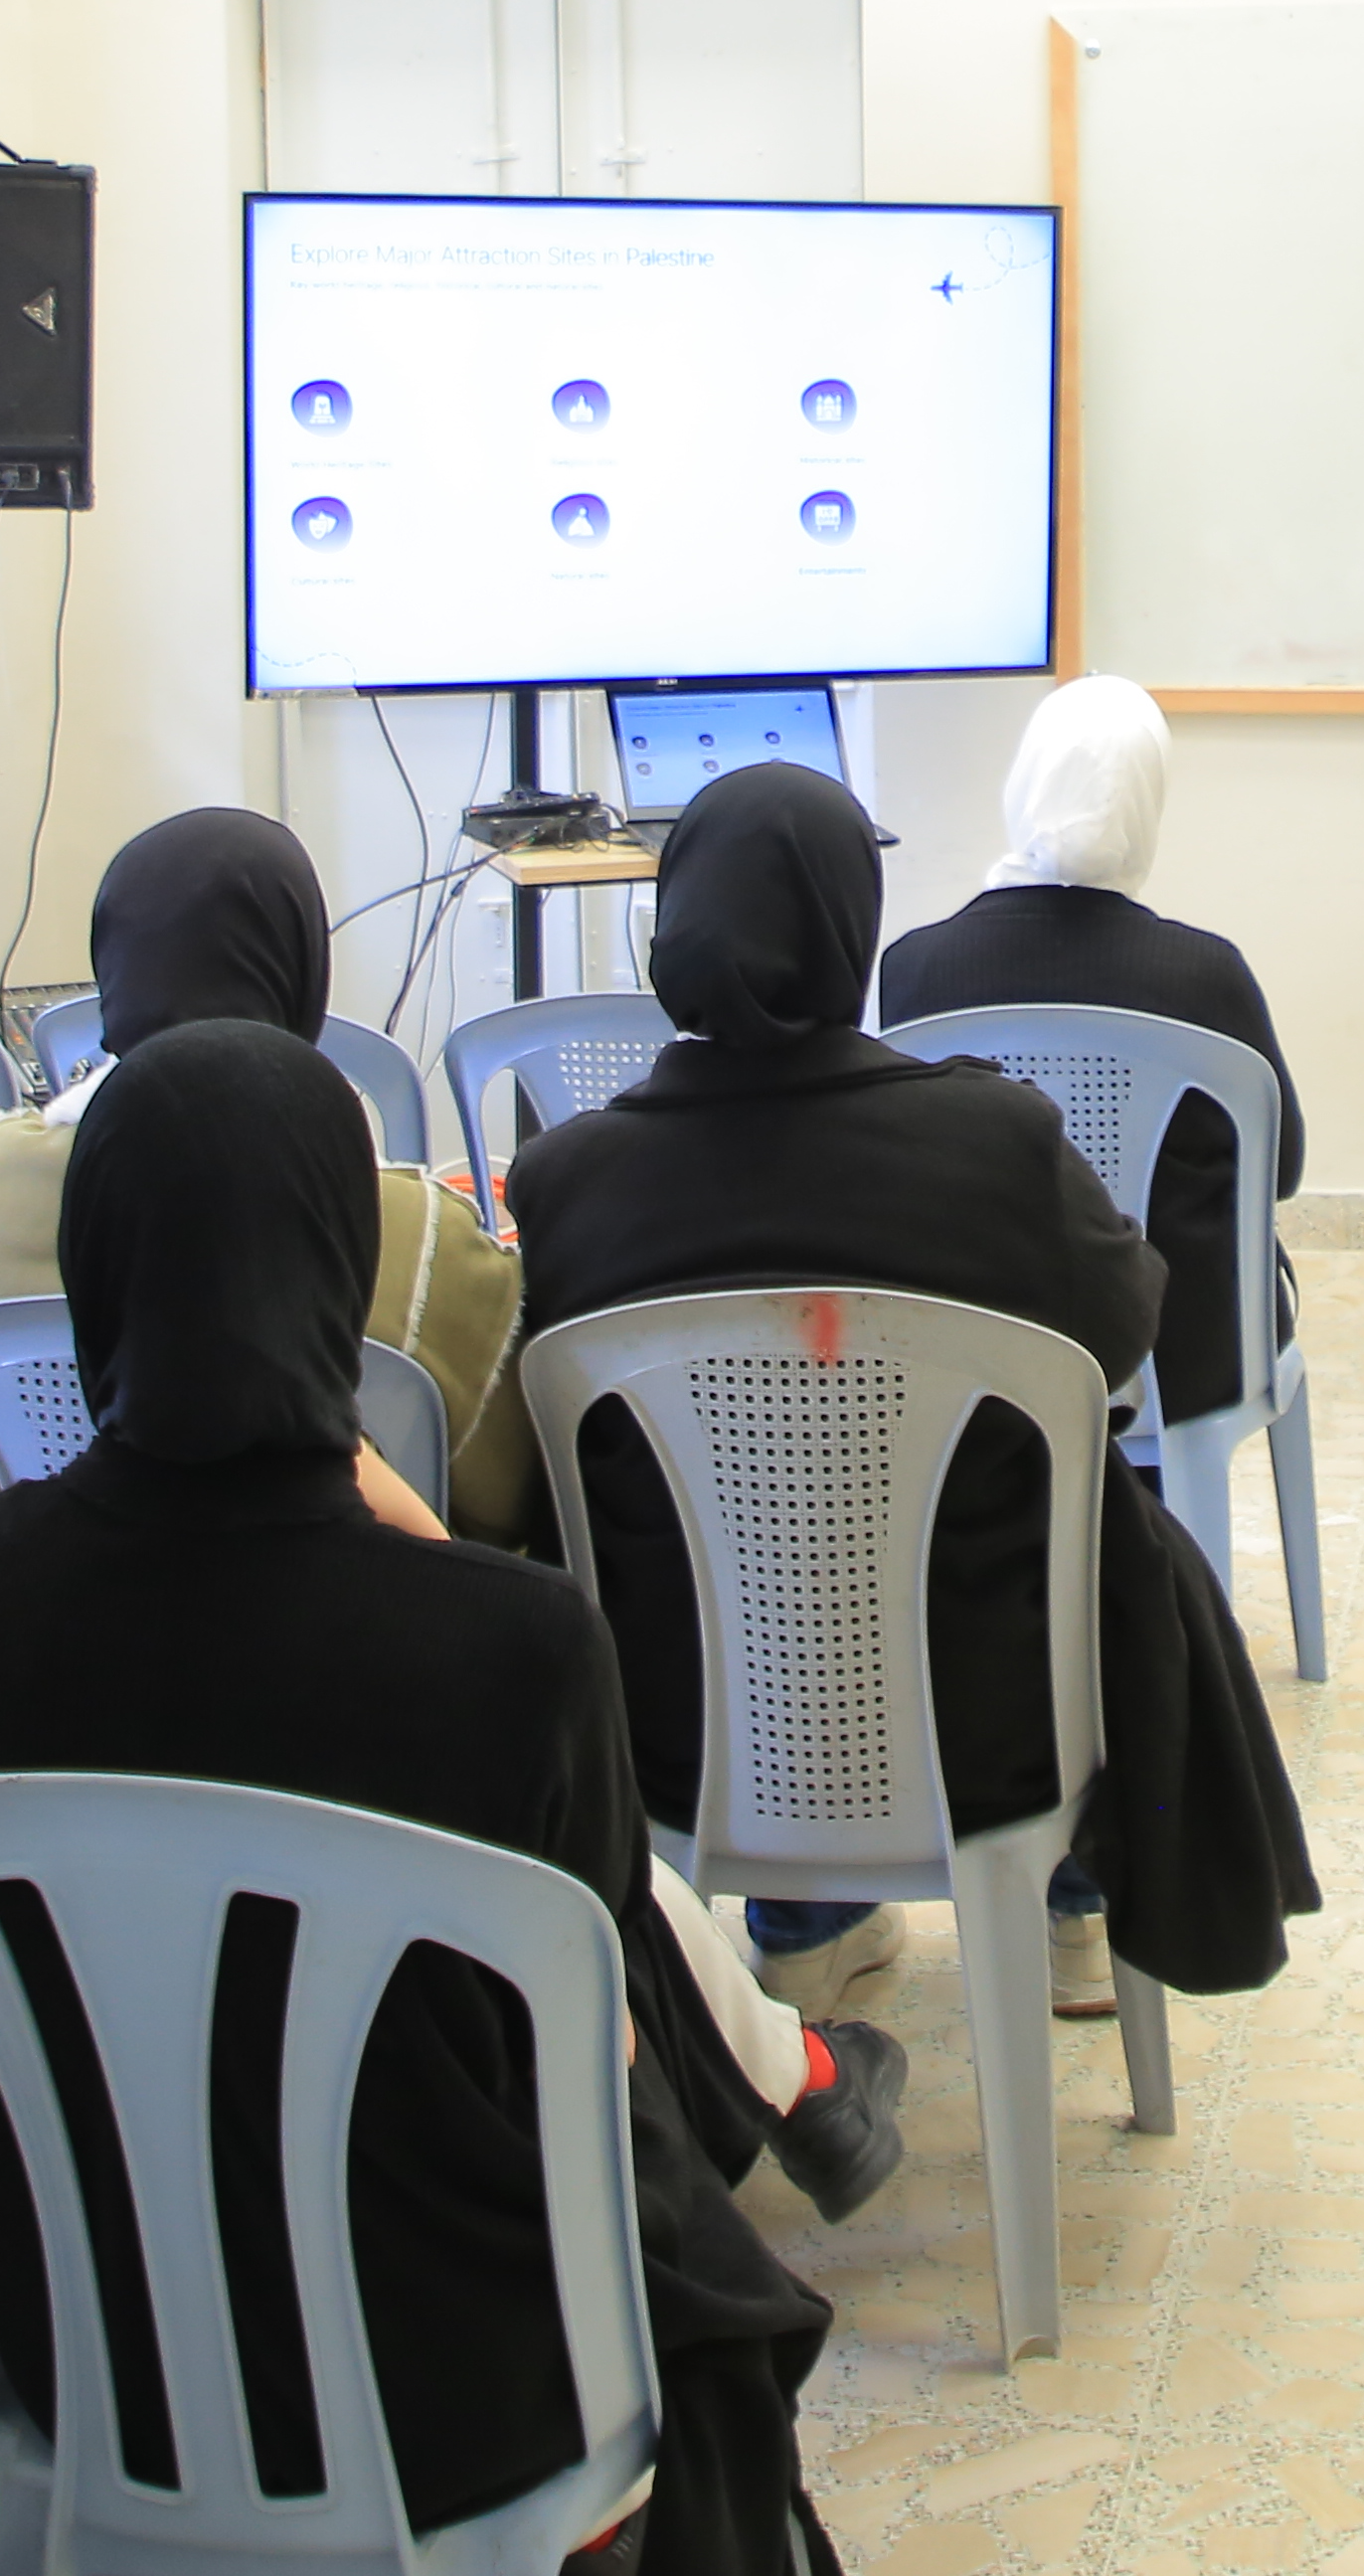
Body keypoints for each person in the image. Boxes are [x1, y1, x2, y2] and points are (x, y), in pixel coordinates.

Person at [0, 1026, 858, 2576]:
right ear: (342, 1266)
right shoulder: (511, 1648)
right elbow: (600, 2023)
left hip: (97, 2367)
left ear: (95, 1265)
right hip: (466, 2396)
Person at [507, 763, 1316, 2023]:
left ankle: (795, 1928)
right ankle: (1075, 1913)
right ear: (849, 925)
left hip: (686, 1738)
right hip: (992, 1730)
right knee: (1103, 1521)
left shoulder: (565, 1181)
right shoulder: (988, 1147)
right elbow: (1117, 1340)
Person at [0, 807, 525, 1531]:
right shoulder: (414, 1229)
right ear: (300, 967)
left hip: (21, 1610)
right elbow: (500, 1490)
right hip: (340, 1622)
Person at [873, 675, 1305, 1449]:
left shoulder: (915, 969)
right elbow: (1281, 1169)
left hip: (984, 1345)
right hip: (1191, 1354)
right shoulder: (1207, 975)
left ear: (1024, 784)